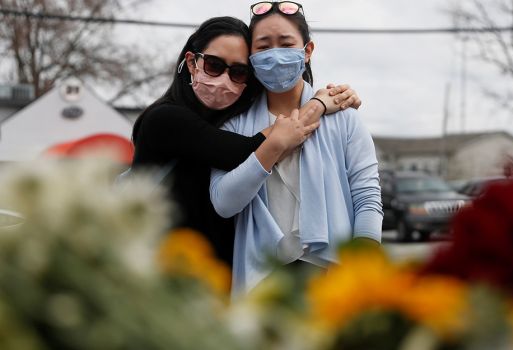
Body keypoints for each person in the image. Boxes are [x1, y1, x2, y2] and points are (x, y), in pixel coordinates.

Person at [131, 16, 361, 268]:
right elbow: (243, 153)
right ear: (191, 62)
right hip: (164, 271)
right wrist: (317, 106)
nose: (224, 79)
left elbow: (366, 191)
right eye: (214, 65)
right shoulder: (164, 119)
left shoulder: (232, 120)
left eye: (239, 72)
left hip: (220, 278)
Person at [209, 1, 383, 297]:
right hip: (261, 279)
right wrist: (275, 145)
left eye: (286, 43)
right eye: (263, 47)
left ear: (308, 50)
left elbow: (367, 197)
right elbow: (224, 202)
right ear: (250, 56)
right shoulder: (233, 125)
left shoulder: (344, 118)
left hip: (332, 276)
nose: (274, 54)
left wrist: (361, 269)